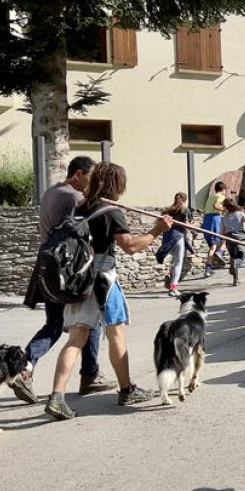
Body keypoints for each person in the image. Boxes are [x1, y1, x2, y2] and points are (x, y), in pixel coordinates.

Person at [43, 162, 171, 420]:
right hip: (104, 281)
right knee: (116, 334)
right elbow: (130, 246)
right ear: (117, 184)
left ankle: (57, 396)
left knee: (75, 339)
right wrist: (157, 230)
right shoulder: (110, 211)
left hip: (79, 279)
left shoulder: (80, 207)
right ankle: (126, 390)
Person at [13, 156, 115, 404]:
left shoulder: (51, 192)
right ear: (78, 174)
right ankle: (85, 375)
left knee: (55, 324)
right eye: (91, 177)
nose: (93, 182)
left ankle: (29, 367)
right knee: (87, 321)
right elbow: (83, 228)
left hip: (49, 264)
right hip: (68, 268)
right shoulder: (74, 197)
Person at [156, 192, 194, 297]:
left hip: (167, 238)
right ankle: (173, 288)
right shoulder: (184, 210)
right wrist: (195, 225)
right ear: (185, 200)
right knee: (178, 263)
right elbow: (187, 226)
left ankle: (170, 274)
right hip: (178, 238)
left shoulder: (168, 210)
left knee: (174, 261)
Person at [221, 202, 245, 286]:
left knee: (233, 257)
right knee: (239, 258)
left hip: (229, 238)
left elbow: (222, 231)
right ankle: (235, 264)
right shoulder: (240, 214)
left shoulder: (224, 218)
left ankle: (235, 280)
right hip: (240, 237)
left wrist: (222, 240)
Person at [201, 182, 227, 278]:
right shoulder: (220, 196)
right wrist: (225, 210)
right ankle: (217, 255)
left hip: (206, 220)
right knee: (221, 241)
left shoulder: (211, 196)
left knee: (214, 244)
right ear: (223, 189)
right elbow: (216, 206)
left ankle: (211, 264)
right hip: (214, 219)